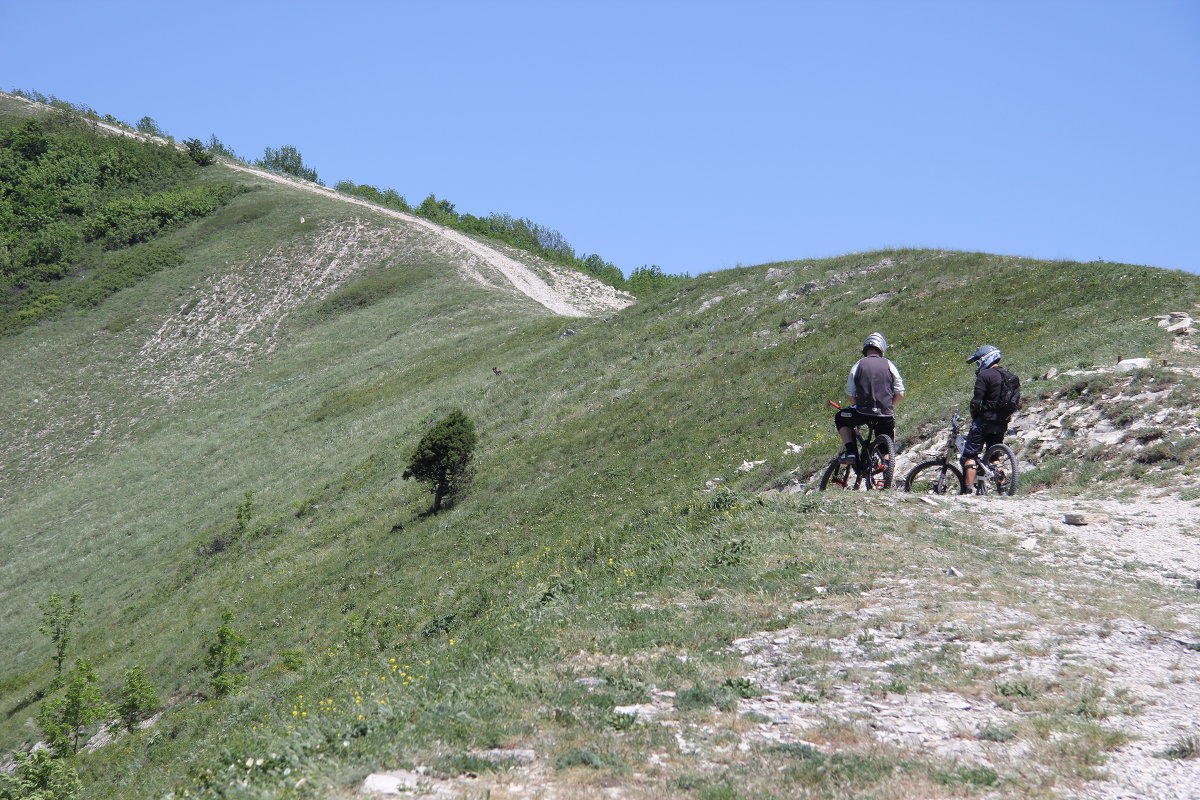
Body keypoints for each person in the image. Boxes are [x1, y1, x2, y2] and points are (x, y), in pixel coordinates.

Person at [834, 332, 905, 465]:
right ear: (882, 349)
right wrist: (888, 406)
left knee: (840, 417)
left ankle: (851, 452)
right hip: (885, 414)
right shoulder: (889, 364)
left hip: (862, 413)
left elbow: (850, 396)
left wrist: (860, 405)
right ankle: (886, 471)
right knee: (886, 449)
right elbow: (900, 393)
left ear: (865, 349)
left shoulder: (859, 365)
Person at [962, 344, 1020, 493]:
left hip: (985, 420)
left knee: (970, 455)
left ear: (985, 359)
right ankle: (1003, 487)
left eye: (978, 361)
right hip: (1002, 421)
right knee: (994, 455)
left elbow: (976, 402)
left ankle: (968, 491)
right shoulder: (1010, 376)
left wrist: (975, 418)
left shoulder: (984, 375)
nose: (977, 365)